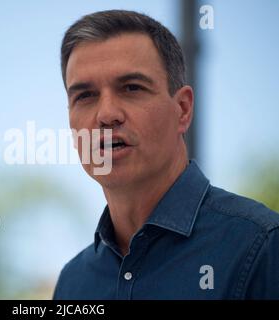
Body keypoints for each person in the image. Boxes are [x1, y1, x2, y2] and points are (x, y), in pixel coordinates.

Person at [53, 9, 279, 299]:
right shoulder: (73, 283)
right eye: (84, 96)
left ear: (183, 109)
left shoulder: (261, 249)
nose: (107, 114)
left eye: (131, 88)